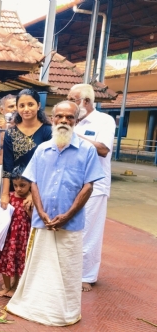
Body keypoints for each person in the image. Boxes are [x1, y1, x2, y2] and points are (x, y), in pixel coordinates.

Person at [6, 101, 104, 326]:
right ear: (52, 119)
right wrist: (40, 211)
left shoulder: (87, 150)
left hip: (71, 223)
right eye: (59, 116)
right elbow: (35, 182)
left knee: (67, 269)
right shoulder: (43, 149)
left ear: (76, 121)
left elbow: (88, 186)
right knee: (40, 266)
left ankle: (64, 312)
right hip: (43, 221)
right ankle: (36, 308)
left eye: (69, 117)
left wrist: (68, 215)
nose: (63, 121)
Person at [67, 84, 116, 292]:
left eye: (73, 99)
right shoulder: (72, 122)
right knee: (71, 229)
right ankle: (68, 273)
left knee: (89, 230)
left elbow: (103, 149)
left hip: (95, 185)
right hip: (71, 185)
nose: (70, 102)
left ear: (85, 101)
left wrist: (73, 136)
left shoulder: (103, 120)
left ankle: (86, 276)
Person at [0, 89, 52, 211]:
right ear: (17, 108)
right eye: (22, 105)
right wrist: (5, 194)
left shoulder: (48, 132)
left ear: (38, 105)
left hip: (41, 190)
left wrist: (35, 194)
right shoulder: (11, 133)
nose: (26, 109)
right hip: (16, 190)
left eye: (30, 104)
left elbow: (48, 166)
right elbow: (7, 166)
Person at [0, 167, 32, 297]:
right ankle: (7, 286)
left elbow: (33, 219)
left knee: (19, 261)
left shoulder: (31, 200)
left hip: (22, 237)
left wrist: (29, 210)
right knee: (6, 259)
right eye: (15, 185)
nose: (18, 189)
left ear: (31, 184)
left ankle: (15, 287)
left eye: (22, 185)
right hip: (8, 237)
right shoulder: (9, 197)